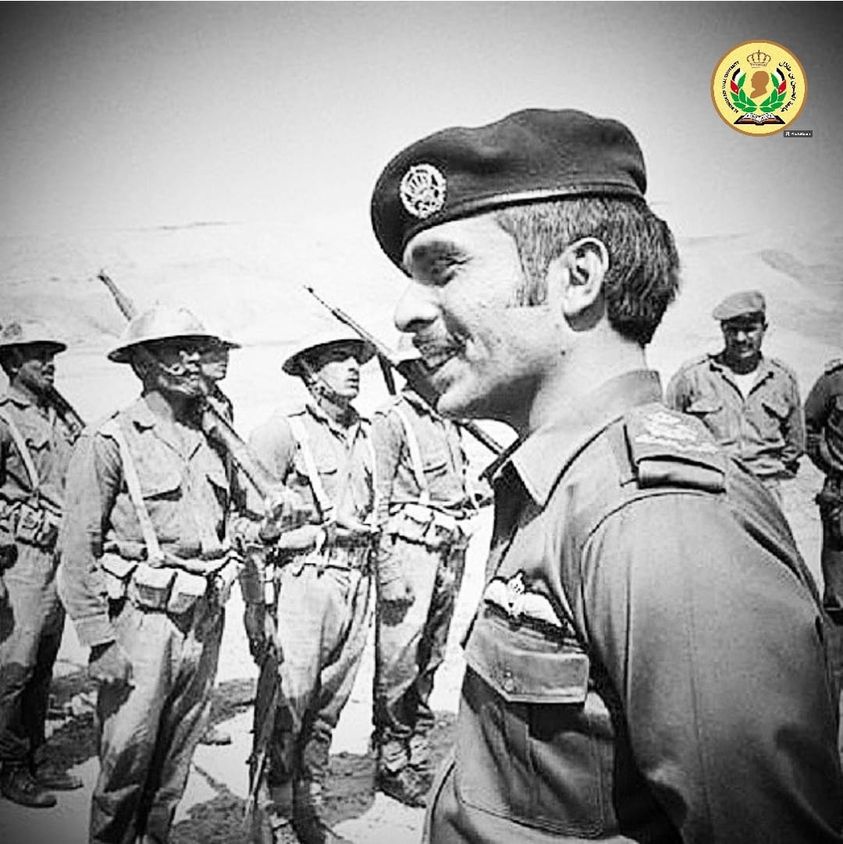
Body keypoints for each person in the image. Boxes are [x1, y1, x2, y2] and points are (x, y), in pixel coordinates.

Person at [369, 108, 843, 842]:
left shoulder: (660, 520)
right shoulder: (568, 485)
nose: (405, 313)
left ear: (578, 277)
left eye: (443, 268)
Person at [57, 306, 272, 843]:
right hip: (141, 625)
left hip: (204, 619)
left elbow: (234, 523)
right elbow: (78, 549)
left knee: (175, 760)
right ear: (143, 364)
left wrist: (265, 530)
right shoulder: (109, 440)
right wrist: (99, 641)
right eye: (178, 349)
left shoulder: (214, 438)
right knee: (125, 763)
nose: (193, 360)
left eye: (197, 348)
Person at [238, 331, 378, 844]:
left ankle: (306, 805)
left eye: (355, 359)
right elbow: (244, 528)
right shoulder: (281, 433)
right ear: (309, 373)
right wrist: (257, 608)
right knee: (286, 708)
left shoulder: (368, 433)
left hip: (357, 582)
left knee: (327, 707)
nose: (352, 367)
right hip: (303, 582)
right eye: (337, 359)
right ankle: (272, 818)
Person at [370, 341, 477, 807]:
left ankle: (416, 748)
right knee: (398, 661)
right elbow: (376, 504)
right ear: (410, 369)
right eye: (431, 362)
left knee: (432, 656)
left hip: (449, 548)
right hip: (409, 552)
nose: (442, 369)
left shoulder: (448, 418)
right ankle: (391, 760)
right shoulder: (390, 421)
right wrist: (389, 572)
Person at [0, 320, 82, 808]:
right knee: (15, 668)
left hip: (60, 555)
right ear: (12, 363)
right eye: (38, 355)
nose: (49, 363)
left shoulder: (61, 417)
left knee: (44, 664)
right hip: (22, 560)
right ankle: (9, 766)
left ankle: (35, 754)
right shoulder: (3, 421)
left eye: (52, 355)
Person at [666, 290, 804, 502]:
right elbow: (669, 433)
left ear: (764, 329)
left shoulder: (782, 379)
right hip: (709, 489)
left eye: (749, 330)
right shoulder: (693, 376)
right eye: (733, 330)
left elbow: (795, 443)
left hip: (764, 491)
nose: (741, 338)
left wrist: (769, 470)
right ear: (722, 329)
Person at [805, 359, 843, 617]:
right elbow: (807, 429)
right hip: (841, 491)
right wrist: (832, 465)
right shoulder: (834, 381)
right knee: (839, 596)